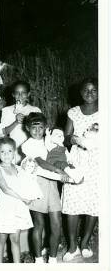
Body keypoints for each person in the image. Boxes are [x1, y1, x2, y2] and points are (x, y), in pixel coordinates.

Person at [21, 112, 68, 263]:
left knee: (56, 224)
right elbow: (40, 161)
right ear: (28, 128)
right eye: (33, 128)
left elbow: (60, 157)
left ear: (45, 128)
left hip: (52, 185)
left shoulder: (51, 142)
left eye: (40, 128)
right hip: (37, 185)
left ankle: (53, 259)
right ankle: (38, 260)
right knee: (38, 225)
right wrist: (57, 170)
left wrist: (65, 170)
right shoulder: (27, 145)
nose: (37, 131)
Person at [61, 78, 99, 261]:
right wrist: (73, 139)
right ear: (80, 92)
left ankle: (85, 243)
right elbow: (65, 139)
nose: (90, 93)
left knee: (93, 204)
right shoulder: (73, 112)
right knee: (72, 203)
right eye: (86, 90)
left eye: (94, 90)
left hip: (98, 161)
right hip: (77, 161)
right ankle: (72, 247)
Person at [0, 137, 33, 263]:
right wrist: (23, 199)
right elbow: (5, 189)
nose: (6, 155)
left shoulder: (19, 168)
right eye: (2, 152)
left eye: (9, 151)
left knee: (15, 239)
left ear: (14, 151)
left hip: (17, 207)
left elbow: (26, 184)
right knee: (1, 238)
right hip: (4, 208)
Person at [1, 80, 41, 162]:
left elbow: (39, 130)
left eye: (23, 93)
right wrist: (16, 122)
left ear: (28, 94)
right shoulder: (6, 110)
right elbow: (4, 132)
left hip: (31, 148)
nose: (20, 96)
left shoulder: (35, 110)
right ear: (13, 94)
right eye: (17, 93)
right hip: (13, 148)